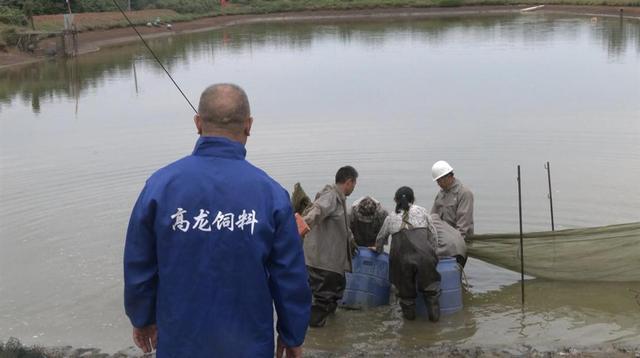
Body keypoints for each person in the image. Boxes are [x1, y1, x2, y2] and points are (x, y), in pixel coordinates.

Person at [123, 83, 311, 358]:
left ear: (198, 123)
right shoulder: (271, 194)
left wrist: (142, 318)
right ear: (249, 125)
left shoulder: (160, 187)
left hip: (180, 344)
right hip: (249, 346)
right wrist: (292, 334)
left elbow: (139, 266)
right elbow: (289, 277)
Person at [302, 166, 358, 328]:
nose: (354, 188)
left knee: (336, 292)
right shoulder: (331, 196)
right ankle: (317, 335)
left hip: (333, 263)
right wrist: (302, 224)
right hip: (323, 262)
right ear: (349, 182)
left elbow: (343, 227)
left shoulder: (340, 200)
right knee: (322, 299)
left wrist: (352, 242)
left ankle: (331, 333)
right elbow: (317, 210)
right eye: (354, 184)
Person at [374, 187, 440, 322]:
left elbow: (380, 239)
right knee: (431, 292)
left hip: (400, 260)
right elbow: (433, 236)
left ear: (395, 200)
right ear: (413, 199)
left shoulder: (390, 218)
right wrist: (433, 255)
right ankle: (435, 326)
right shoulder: (422, 211)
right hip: (425, 256)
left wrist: (378, 250)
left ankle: (409, 330)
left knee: (406, 296)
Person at [430, 160, 474, 241]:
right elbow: (432, 218)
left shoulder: (464, 193)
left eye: (440, 180)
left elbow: (463, 226)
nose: (438, 184)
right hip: (443, 239)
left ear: (448, 176)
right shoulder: (440, 194)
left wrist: (454, 243)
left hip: (460, 241)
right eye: (437, 181)